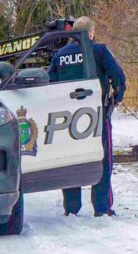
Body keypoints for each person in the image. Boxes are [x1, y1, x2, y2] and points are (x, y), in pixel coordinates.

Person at [49, 16, 126, 217]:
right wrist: (117, 97)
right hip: (96, 115)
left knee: (70, 159)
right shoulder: (99, 51)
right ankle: (102, 208)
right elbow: (118, 76)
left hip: (67, 119)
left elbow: (50, 84)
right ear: (91, 32)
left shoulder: (60, 55)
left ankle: (72, 208)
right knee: (103, 159)